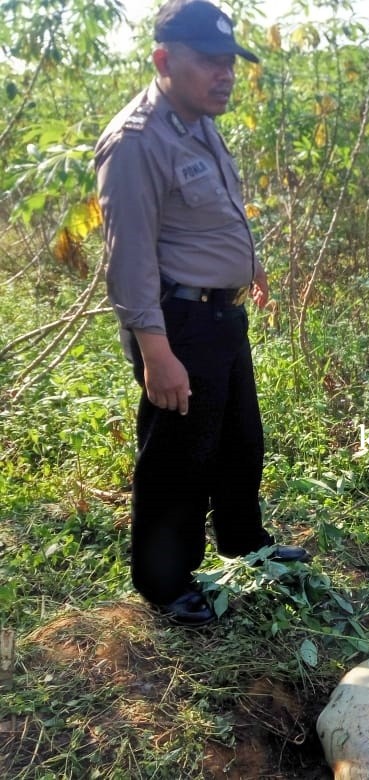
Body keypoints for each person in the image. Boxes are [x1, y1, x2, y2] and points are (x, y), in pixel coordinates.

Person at [95, 0, 311, 626]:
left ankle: (244, 539)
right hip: (177, 321)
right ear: (164, 60)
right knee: (177, 457)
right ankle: (164, 581)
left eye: (230, 63)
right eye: (211, 63)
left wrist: (250, 265)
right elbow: (129, 258)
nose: (226, 75)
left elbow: (214, 211)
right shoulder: (136, 142)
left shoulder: (198, 121)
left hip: (219, 315)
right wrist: (156, 353)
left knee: (239, 438)